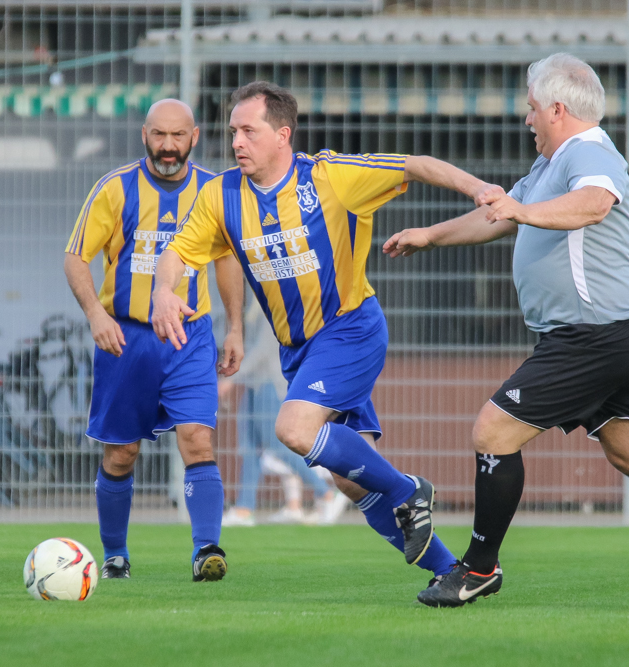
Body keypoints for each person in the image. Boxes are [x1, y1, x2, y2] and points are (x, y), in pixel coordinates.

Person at [384, 53, 629, 611]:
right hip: (604, 330)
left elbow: (594, 204)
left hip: (593, 334)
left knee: (494, 431)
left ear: (558, 109)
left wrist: (521, 212)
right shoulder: (552, 163)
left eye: (531, 109)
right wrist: (430, 234)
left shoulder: (589, 151)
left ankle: (477, 569)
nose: (527, 120)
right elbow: (499, 213)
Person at [153, 82, 500, 584]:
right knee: (351, 481)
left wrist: (478, 189)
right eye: (233, 132)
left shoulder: (330, 177)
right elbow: (177, 253)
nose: (237, 143)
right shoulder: (221, 195)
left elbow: (415, 164)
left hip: (350, 330)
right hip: (298, 351)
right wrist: (165, 290)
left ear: (282, 135)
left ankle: (409, 491)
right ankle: (457, 573)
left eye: (249, 131)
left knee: (293, 430)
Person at [64, 99, 243, 583]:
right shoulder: (114, 188)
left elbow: (226, 260)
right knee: (121, 453)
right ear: (145, 134)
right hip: (126, 338)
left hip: (191, 337)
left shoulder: (213, 190)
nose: (168, 146)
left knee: (198, 439)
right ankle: (116, 554)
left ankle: (207, 549)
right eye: (159, 135)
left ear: (195, 136)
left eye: (178, 136)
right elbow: (76, 258)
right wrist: (96, 314)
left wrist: (236, 327)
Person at [221, 297, 347, 527]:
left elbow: (264, 349)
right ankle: (243, 509)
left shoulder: (275, 297)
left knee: (278, 446)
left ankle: (327, 493)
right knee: (249, 449)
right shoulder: (254, 301)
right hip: (254, 383)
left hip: (269, 382)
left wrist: (232, 378)